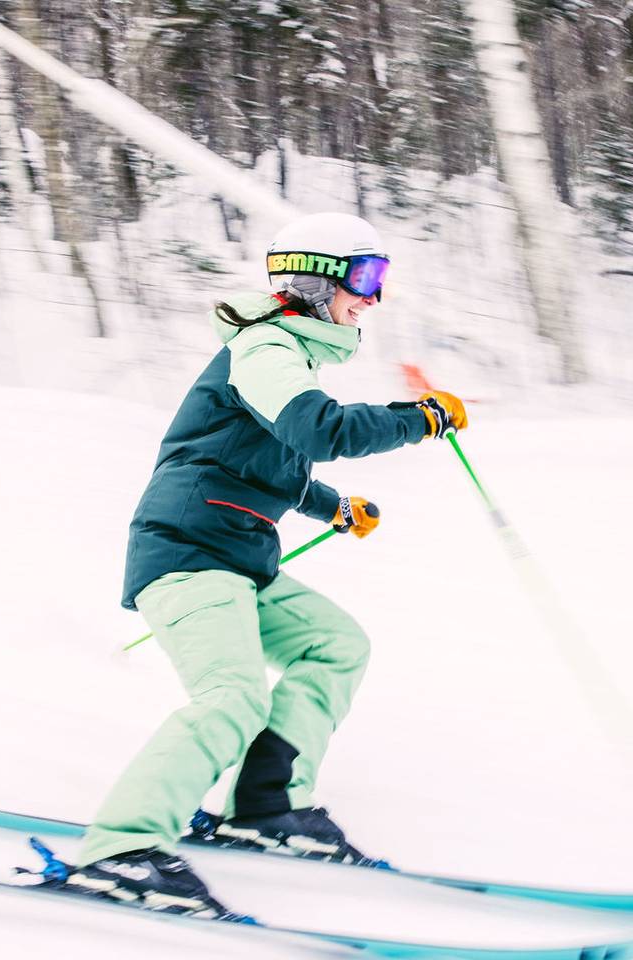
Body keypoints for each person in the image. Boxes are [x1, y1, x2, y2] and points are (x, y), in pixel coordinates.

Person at [61, 212, 468, 917]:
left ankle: (265, 806)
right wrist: (418, 417)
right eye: (364, 277)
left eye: (380, 279)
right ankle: (120, 849)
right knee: (233, 696)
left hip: (236, 558)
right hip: (188, 553)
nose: (372, 296)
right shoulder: (267, 348)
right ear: (316, 279)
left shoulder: (286, 357)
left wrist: (332, 506)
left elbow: (272, 461)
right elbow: (319, 429)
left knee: (335, 644)